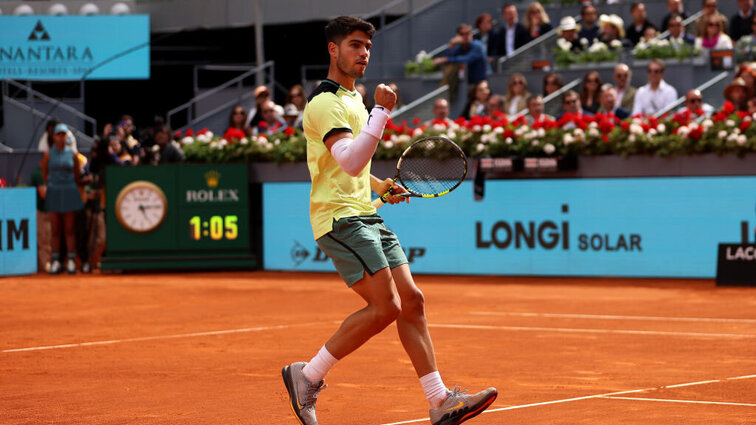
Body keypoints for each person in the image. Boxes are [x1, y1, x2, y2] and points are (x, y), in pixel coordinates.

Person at [283, 15, 497, 425]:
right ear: (333, 49)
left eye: (367, 46)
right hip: (339, 220)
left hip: (364, 213)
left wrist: (380, 186)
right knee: (385, 307)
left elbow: (353, 169)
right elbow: (348, 159)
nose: (363, 53)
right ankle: (307, 375)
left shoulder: (354, 101)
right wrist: (381, 110)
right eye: (354, 45)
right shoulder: (325, 103)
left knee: (412, 302)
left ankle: (439, 402)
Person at [41, 123, 84, 274]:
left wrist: (67, 183)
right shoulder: (48, 154)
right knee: (55, 229)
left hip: (70, 190)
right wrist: (54, 184)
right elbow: (45, 174)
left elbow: (77, 174)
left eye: (63, 134)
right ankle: (55, 261)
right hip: (54, 191)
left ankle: (71, 260)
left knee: (69, 229)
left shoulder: (72, 155)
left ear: (67, 136)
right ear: (53, 137)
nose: (61, 137)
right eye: (58, 134)